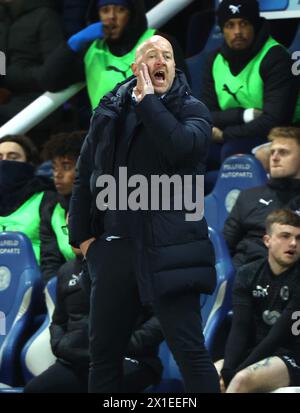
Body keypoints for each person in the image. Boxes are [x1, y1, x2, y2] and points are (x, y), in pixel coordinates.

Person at [68, 35, 220, 393]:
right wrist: (85, 238)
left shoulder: (193, 109)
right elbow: (85, 172)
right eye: (152, 55)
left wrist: (150, 102)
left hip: (171, 246)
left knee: (189, 351)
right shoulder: (108, 110)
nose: (161, 61)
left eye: (167, 55)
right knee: (103, 354)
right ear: (136, 67)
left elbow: (181, 149)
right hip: (114, 247)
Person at [24, 242, 163, 393]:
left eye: (77, 228)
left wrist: (128, 344)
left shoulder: (134, 265)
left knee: (102, 386)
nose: (72, 238)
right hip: (77, 361)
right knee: (34, 390)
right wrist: (62, 345)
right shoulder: (66, 271)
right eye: (68, 230)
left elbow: (161, 318)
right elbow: (58, 321)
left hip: (128, 358)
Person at [201, 0, 300, 170]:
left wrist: (225, 134)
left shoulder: (276, 57)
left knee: (234, 150)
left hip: (279, 135)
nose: (237, 32)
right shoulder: (213, 61)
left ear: (255, 25)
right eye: (230, 25)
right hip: (237, 131)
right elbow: (206, 116)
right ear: (222, 30)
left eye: (244, 24)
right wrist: (245, 115)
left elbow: (274, 121)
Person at [41, 0, 188, 111]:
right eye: (105, 10)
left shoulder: (159, 43)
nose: (111, 16)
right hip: (109, 142)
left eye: (120, 10)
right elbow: (50, 82)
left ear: (131, 14)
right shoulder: (92, 51)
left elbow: (182, 95)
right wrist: (72, 44)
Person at [215, 209, 300, 393]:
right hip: (255, 351)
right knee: (210, 375)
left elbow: (278, 335)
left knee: (241, 380)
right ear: (267, 240)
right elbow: (240, 328)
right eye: (285, 236)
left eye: (299, 238)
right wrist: (228, 369)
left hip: (292, 355)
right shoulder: (248, 273)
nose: (293, 243)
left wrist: (236, 372)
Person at [224, 126, 300, 269]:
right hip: (244, 276)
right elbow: (224, 246)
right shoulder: (248, 196)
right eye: (272, 152)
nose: (275, 157)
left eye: (283, 152)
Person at [0, 0, 64, 125]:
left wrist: (9, 76)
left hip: (36, 103)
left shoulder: (46, 16)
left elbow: (54, 73)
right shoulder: (3, 18)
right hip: (6, 98)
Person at [0, 135, 55, 263]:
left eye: (13, 158)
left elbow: (54, 256)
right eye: (0, 157)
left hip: (34, 278)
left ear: (29, 163)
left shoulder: (47, 199)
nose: (4, 163)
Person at [40, 131, 86, 283]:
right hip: (69, 284)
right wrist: (52, 291)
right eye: (54, 167)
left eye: (66, 166)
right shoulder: (51, 210)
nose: (57, 174)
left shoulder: (107, 204)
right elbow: (50, 262)